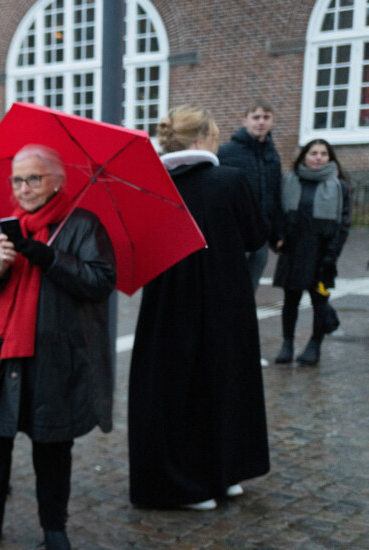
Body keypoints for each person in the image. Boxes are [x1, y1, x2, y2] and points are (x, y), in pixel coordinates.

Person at [0, 144, 116, 550]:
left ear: (58, 181)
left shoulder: (83, 225)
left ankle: (54, 529)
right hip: (0, 358)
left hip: (54, 359)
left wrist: (50, 258)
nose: (24, 187)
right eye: (18, 179)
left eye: (34, 178)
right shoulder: (6, 226)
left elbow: (101, 281)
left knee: (52, 450)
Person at [128, 105, 269, 511]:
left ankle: (196, 478)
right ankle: (220, 473)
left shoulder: (149, 187)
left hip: (168, 304)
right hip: (225, 297)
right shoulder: (230, 180)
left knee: (177, 388)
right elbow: (255, 235)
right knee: (225, 381)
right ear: (203, 137)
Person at [272, 139, 351, 366]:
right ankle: (287, 344)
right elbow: (278, 211)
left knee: (320, 301)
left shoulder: (339, 186)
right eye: (313, 153)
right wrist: (278, 237)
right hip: (293, 252)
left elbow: (343, 225)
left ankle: (314, 346)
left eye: (323, 154)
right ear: (304, 155)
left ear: (330, 157)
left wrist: (331, 256)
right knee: (290, 301)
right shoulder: (289, 180)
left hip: (322, 254)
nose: (318, 157)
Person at [217, 101, 283, 293]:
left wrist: (278, 232)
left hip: (261, 234)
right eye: (256, 117)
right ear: (245, 121)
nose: (261, 122)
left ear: (272, 121)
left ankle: (242, 322)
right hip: (235, 234)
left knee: (250, 288)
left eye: (266, 117)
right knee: (229, 286)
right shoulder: (226, 153)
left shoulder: (273, 155)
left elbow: (275, 195)